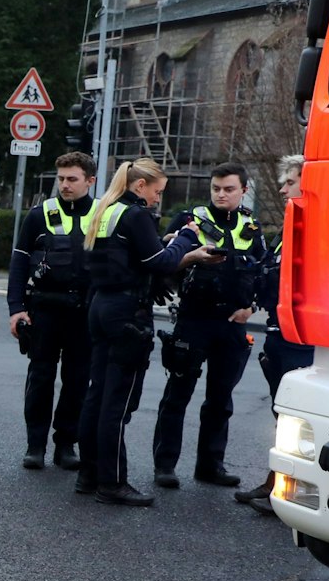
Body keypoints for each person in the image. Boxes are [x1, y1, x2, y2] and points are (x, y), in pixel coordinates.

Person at [74, 158, 222, 506]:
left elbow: (130, 254)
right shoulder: (136, 214)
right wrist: (187, 239)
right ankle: (112, 483)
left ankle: (88, 474)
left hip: (101, 306)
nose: (158, 198)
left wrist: (164, 243)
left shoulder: (106, 209)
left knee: (96, 396)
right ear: (140, 186)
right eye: (157, 191)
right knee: (117, 403)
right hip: (127, 312)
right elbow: (160, 262)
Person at [150, 162, 268, 490]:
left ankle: (210, 465)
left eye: (229, 189)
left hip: (230, 323)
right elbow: (162, 261)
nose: (221, 194)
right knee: (177, 395)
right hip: (194, 320)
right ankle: (165, 465)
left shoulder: (251, 226)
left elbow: (264, 273)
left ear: (244, 190)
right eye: (216, 188)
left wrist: (251, 307)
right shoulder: (190, 220)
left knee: (220, 399)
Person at [8, 151, 96, 470]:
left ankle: (66, 445)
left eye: (72, 179)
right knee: (40, 378)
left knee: (78, 381)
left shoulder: (103, 215)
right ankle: (35, 445)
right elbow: (19, 262)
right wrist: (16, 308)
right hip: (44, 310)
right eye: (61, 179)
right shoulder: (39, 215)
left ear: (90, 181)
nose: (65, 185)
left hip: (84, 312)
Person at [236, 155, 314, 512]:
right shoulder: (290, 228)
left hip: (302, 339)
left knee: (298, 419)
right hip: (280, 332)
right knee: (282, 415)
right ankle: (276, 482)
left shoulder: (319, 228)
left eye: (290, 182)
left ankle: (289, 489)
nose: (283, 189)